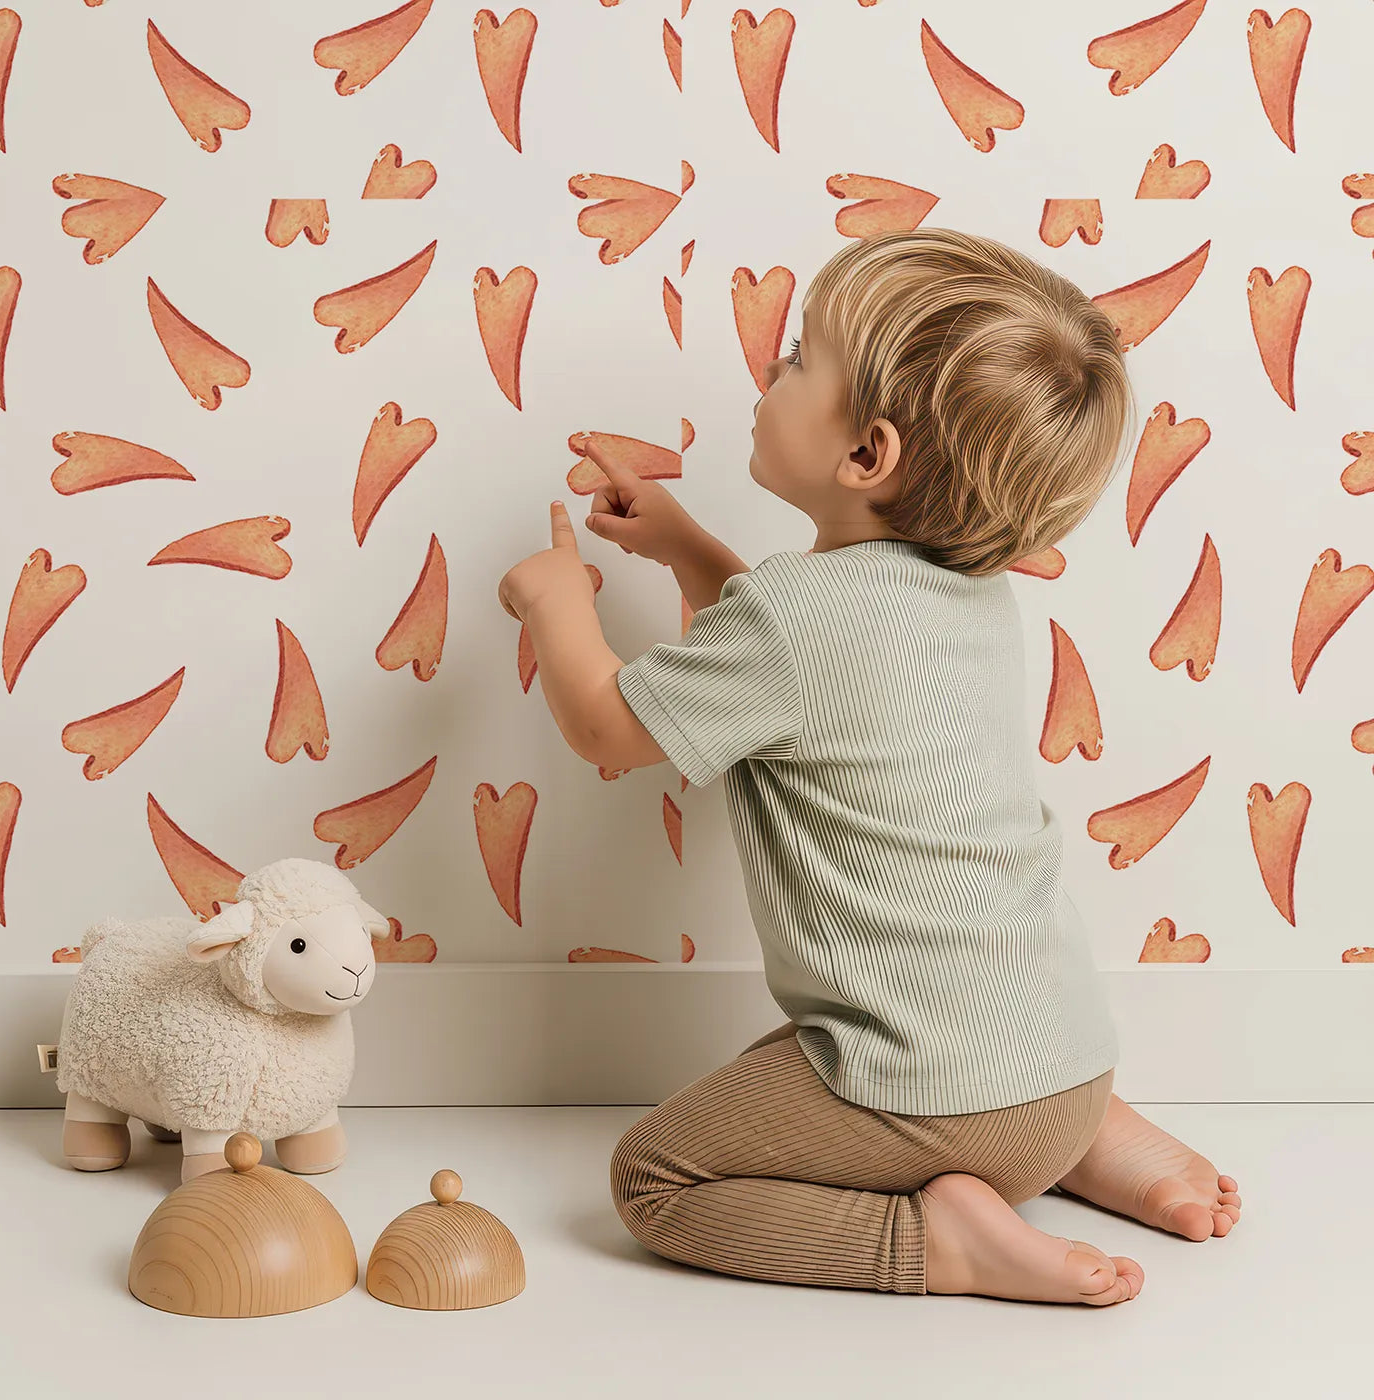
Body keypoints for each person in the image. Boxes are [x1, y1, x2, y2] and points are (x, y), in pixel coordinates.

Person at [496, 227, 1241, 1305]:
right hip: (1064, 1060)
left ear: (865, 456)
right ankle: (1081, 1145)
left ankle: (942, 1243)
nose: (769, 369)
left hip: (936, 1089)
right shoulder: (974, 603)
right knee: (979, 1068)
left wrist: (556, 604)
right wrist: (685, 547)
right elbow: (797, 669)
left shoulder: (796, 621)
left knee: (651, 1175)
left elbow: (610, 728)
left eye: (798, 358)